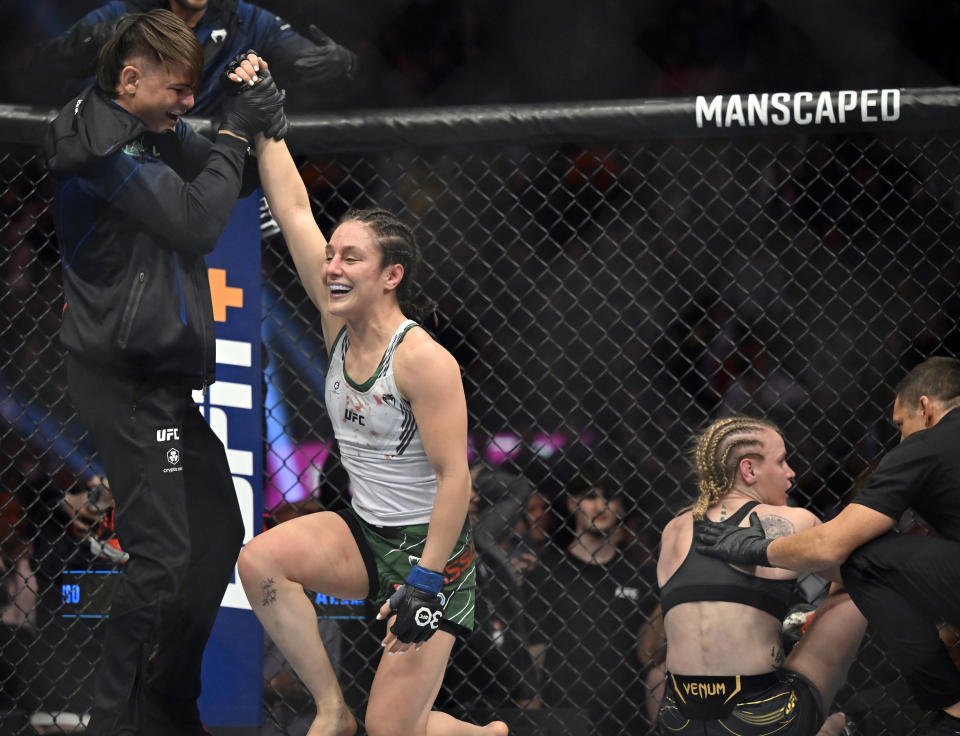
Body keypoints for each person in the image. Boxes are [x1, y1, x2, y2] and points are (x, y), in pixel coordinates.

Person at [43, 11, 286, 735]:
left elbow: (221, 173)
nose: (189, 102)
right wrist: (238, 131)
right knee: (161, 554)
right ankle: (115, 720)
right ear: (130, 80)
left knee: (213, 537)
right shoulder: (98, 146)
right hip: (123, 385)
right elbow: (195, 221)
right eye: (179, 90)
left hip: (164, 393)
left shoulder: (147, 132)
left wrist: (259, 106)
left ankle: (167, 703)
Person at [234, 99, 507, 735]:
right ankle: (332, 707)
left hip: (432, 553)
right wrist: (264, 120)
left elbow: (455, 481)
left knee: (394, 732)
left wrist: (424, 582)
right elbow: (296, 212)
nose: (331, 267)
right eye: (332, 256)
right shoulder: (335, 326)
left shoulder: (423, 362)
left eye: (350, 258)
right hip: (365, 532)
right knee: (259, 562)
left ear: (391, 276)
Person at [695, 357, 960, 735]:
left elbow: (833, 547)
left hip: (741, 694)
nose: (901, 439)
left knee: (866, 557)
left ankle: (949, 703)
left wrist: (754, 548)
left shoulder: (926, 445)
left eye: (902, 425)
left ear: (925, 407)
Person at [657, 415, 866, 736]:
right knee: (858, 584)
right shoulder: (793, 519)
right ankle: (841, 724)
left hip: (678, 716)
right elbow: (856, 574)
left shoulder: (674, 528)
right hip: (763, 716)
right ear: (749, 469)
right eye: (782, 461)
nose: (791, 472)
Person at [32, 0, 357, 115]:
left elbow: (308, 60)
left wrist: (340, 64)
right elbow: (43, 68)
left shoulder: (245, 19)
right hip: (131, 164)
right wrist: (100, 39)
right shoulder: (124, 12)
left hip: (215, 169)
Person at [522, 466, 647, 735]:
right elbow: (535, 651)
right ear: (571, 503)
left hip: (629, 715)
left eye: (609, 497)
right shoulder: (545, 573)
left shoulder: (642, 575)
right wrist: (534, 712)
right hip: (564, 715)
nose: (600, 505)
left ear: (622, 507)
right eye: (590, 496)